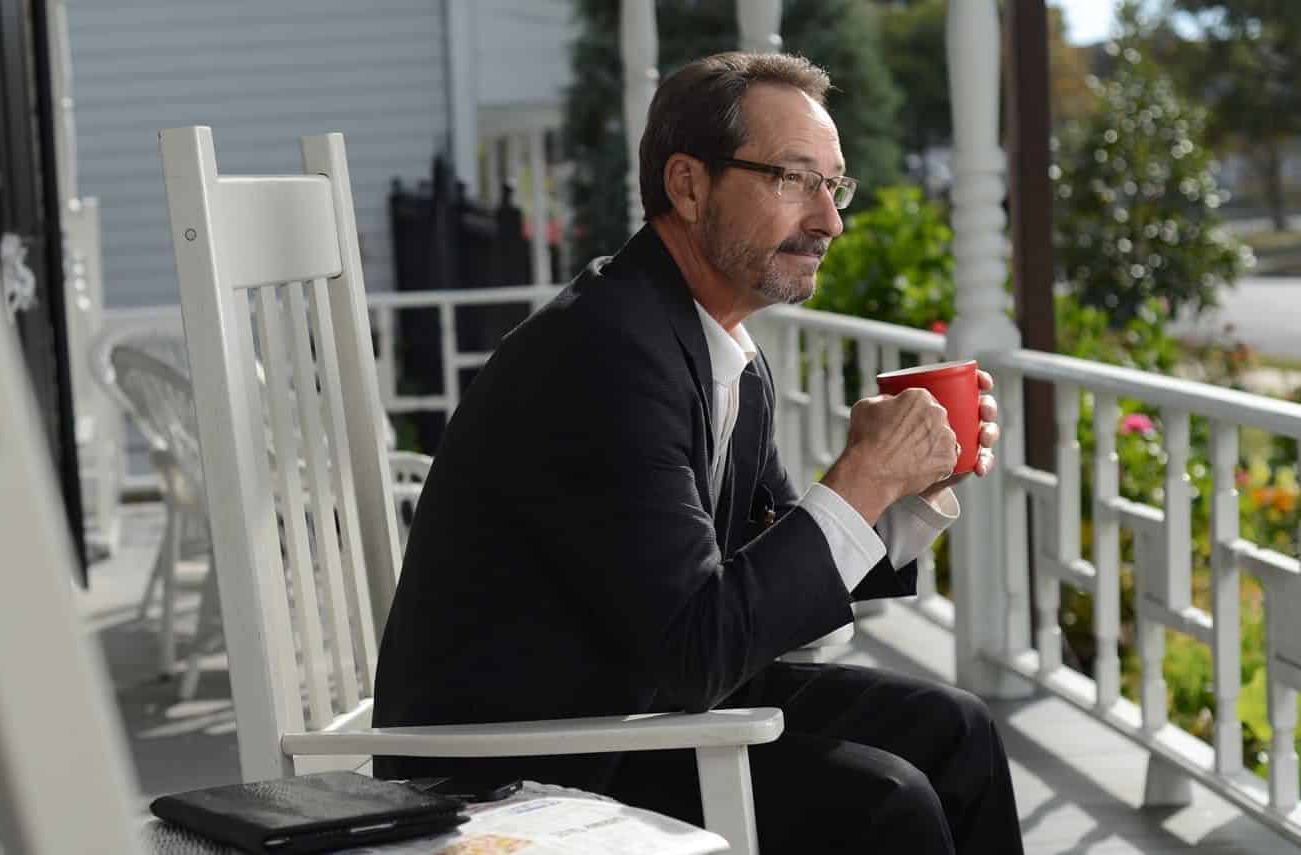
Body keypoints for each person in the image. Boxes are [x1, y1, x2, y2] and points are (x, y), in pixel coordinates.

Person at [371, 51, 1022, 853]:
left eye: (833, 184)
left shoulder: (721, 351)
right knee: (888, 804)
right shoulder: (602, 353)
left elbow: (764, 584)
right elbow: (698, 646)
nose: (829, 220)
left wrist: (901, 490)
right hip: (513, 766)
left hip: (633, 707)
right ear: (687, 185)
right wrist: (862, 476)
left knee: (957, 732)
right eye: (794, 179)